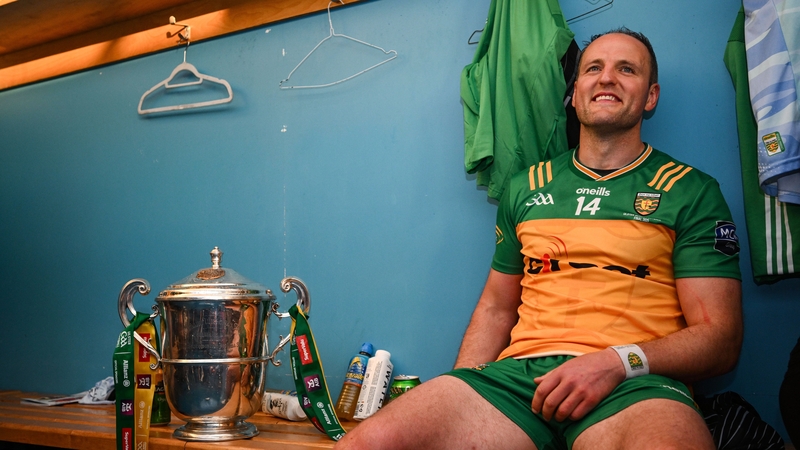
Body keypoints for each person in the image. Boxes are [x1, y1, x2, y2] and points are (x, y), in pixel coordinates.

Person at [334, 28, 743, 450]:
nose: (606, 79)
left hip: (637, 384)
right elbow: (496, 308)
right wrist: (463, 387)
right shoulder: (527, 186)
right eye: (593, 69)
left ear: (650, 96)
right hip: (518, 381)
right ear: (576, 90)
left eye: (627, 69)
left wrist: (618, 362)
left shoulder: (692, 191)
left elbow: (720, 338)